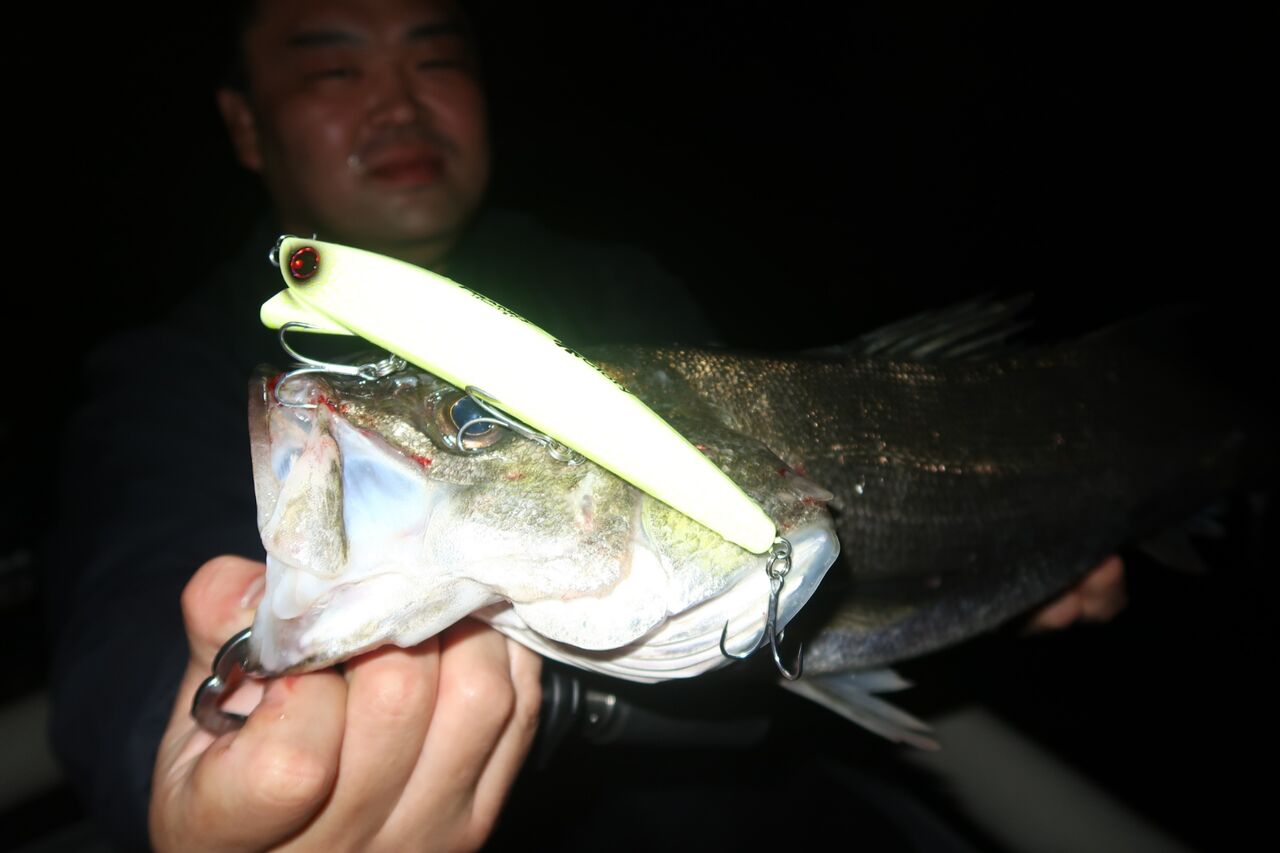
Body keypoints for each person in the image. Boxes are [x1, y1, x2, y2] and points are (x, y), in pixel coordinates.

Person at [48, 1, 1125, 849]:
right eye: (335, 70)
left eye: (436, 59)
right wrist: (176, 768)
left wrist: (998, 577)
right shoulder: (169, 374)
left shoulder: (618, 283)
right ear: (244, 123)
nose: (399, 105)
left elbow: (790, 548)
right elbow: (121, 651)